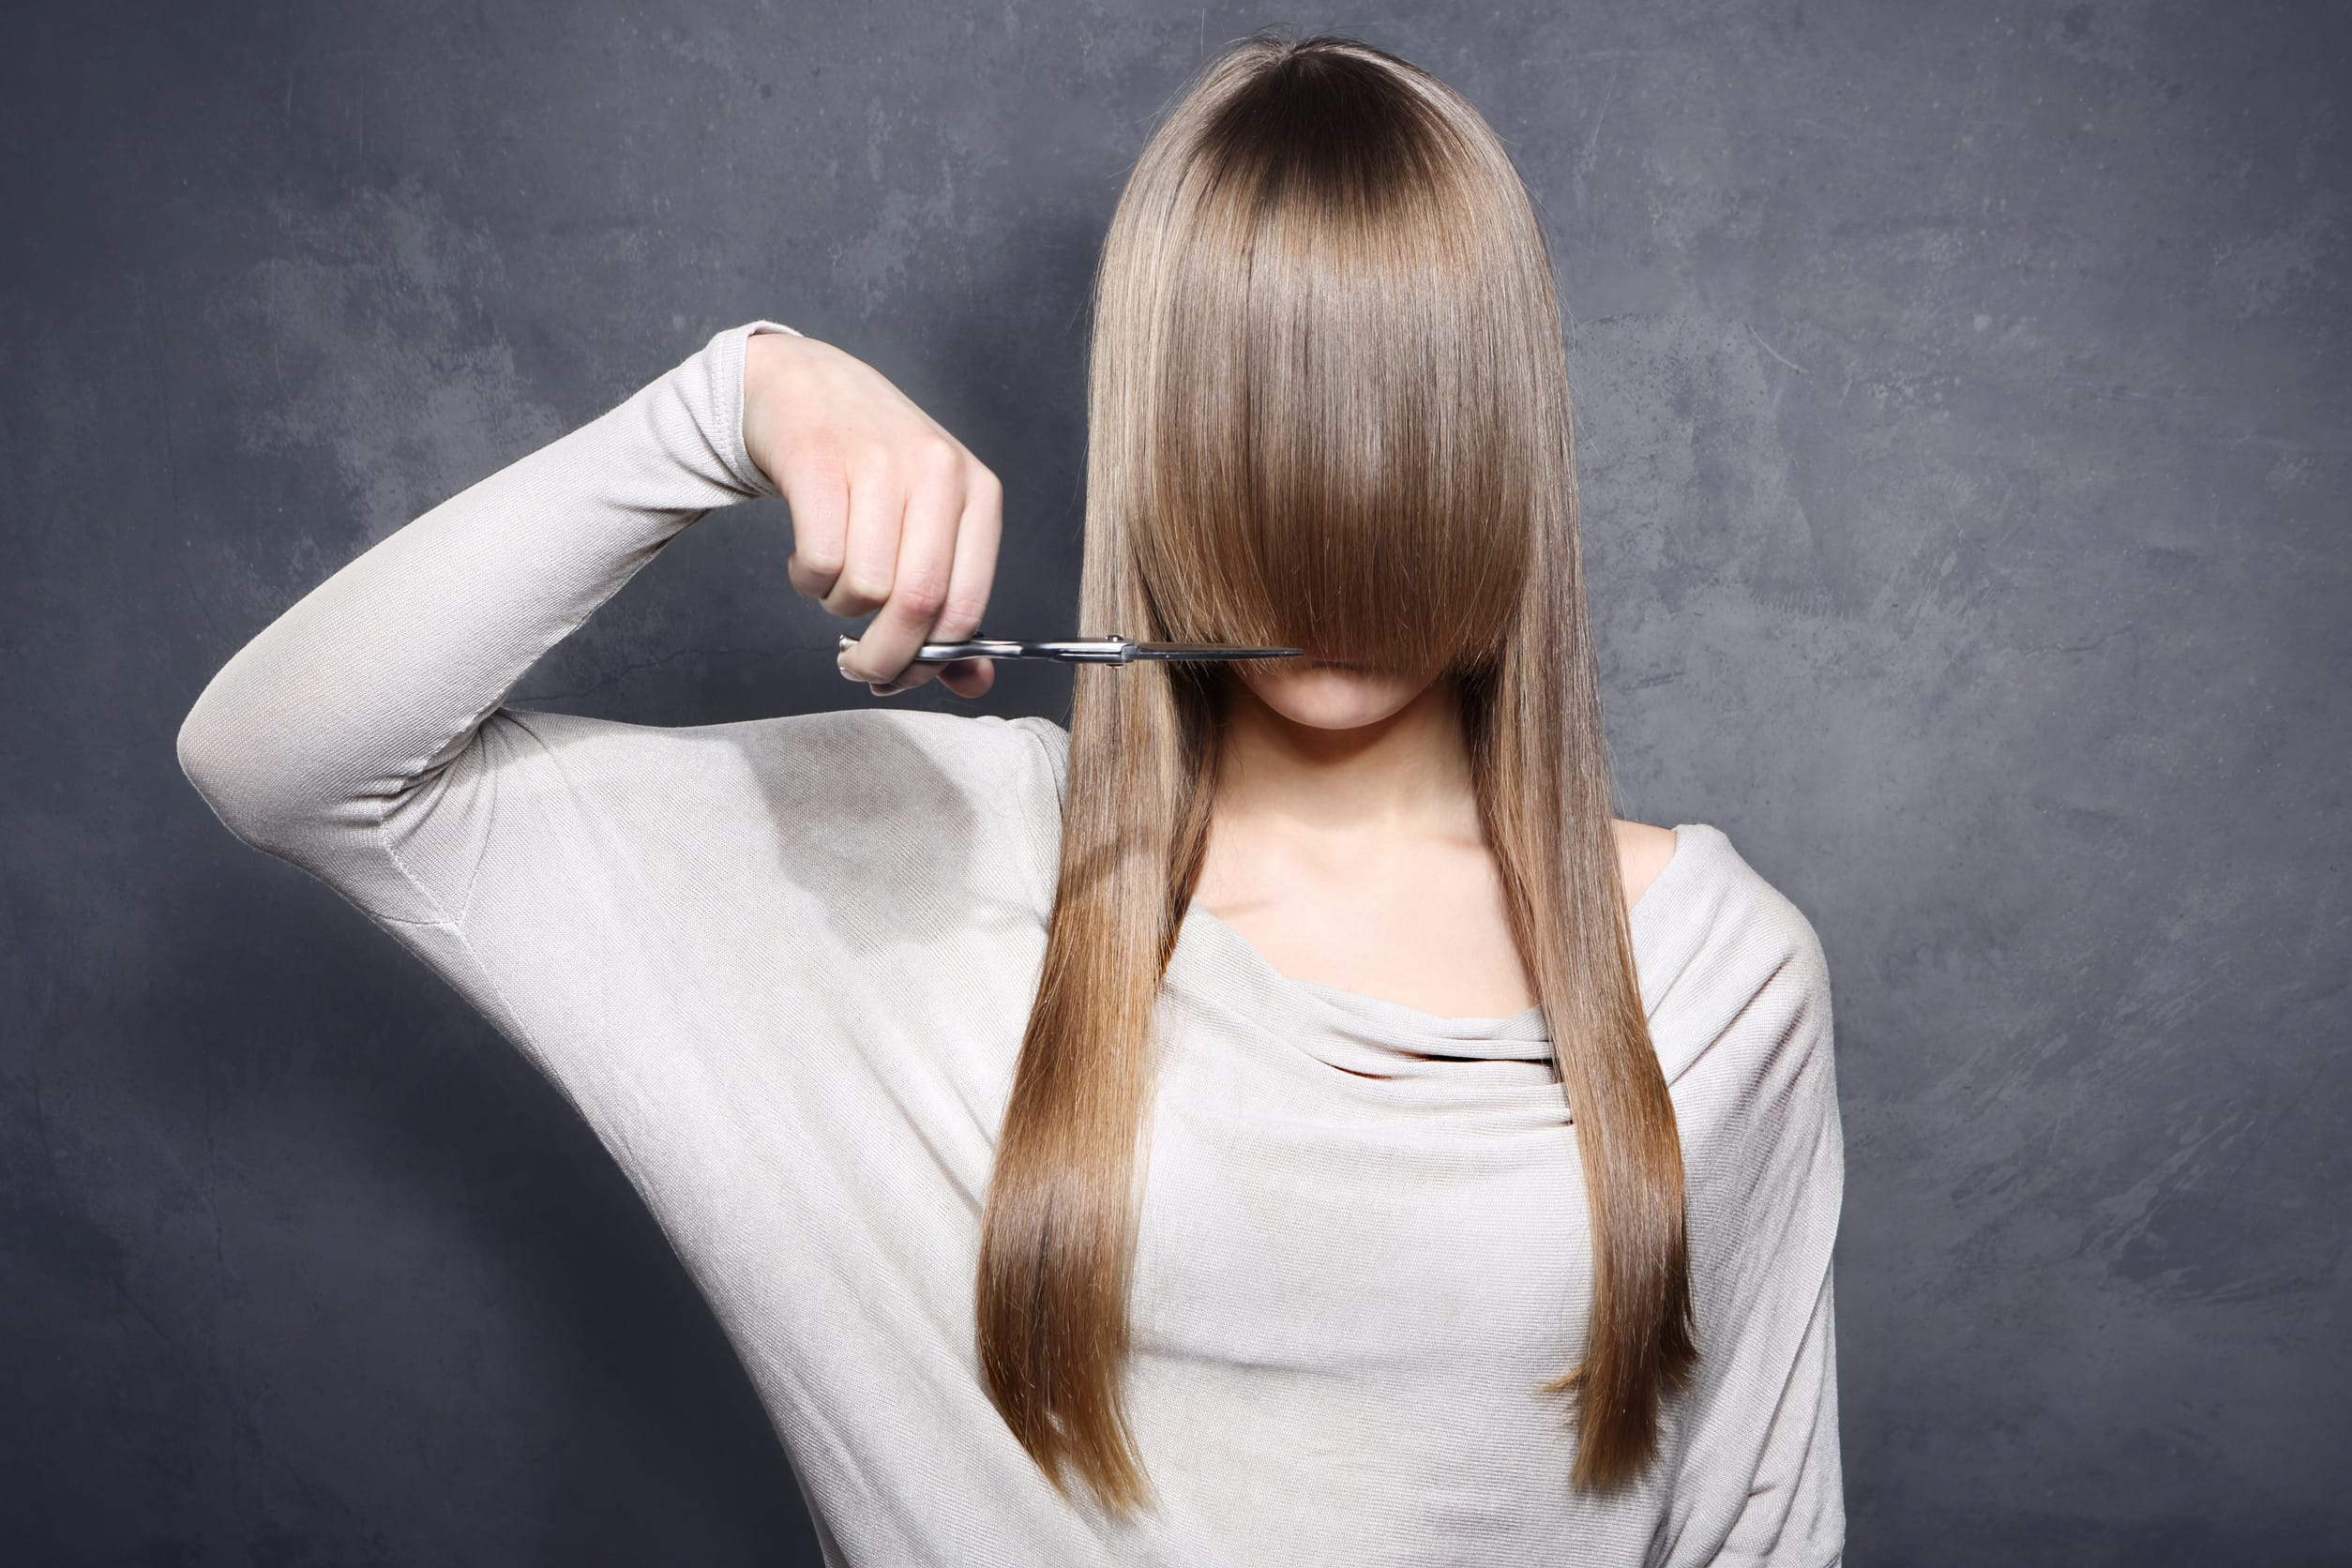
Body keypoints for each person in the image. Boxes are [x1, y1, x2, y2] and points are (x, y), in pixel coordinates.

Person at [176, 30, 1845, 1568]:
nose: (1336, 502)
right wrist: (734, 401)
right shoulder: (919, 858)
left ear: (1511, 443)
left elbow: (1761, 1540)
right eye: (1257, 417)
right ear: (1155, 445)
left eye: (1407, 417)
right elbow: (283, 761)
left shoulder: (1716, 981)